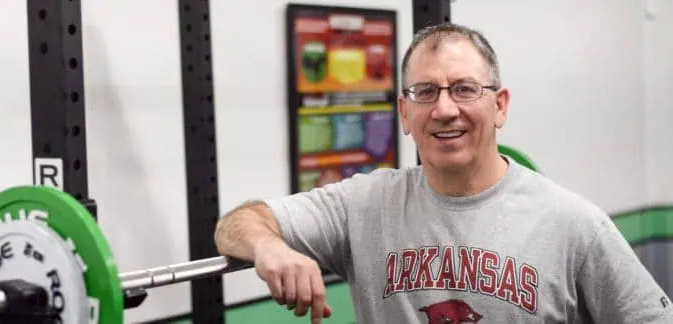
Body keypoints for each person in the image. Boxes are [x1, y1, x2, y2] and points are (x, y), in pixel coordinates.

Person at [213, 22, 673, 323]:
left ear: (500, 105)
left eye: (465, 89)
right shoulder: (364, 204)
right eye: (425, 91)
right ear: (404, 113)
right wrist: (269, 247)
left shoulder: (573, 223)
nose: (444, 109)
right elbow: (235, 225)